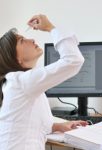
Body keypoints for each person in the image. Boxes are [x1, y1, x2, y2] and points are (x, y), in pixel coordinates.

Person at [0, 14, 88, 150]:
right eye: (22, 41)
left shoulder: (19, 84)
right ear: (15, 58)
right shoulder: (20, 82)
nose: (32, 39)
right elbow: (73, 60)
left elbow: (30, 121)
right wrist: (49, 28)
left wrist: (58, 126)